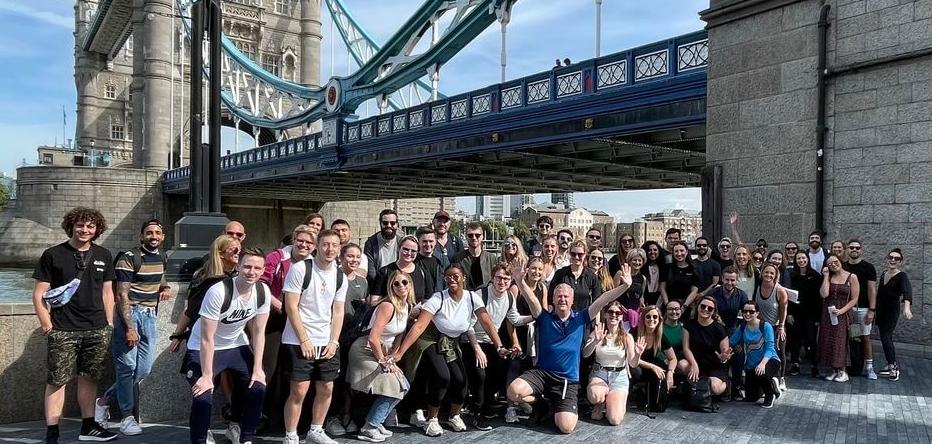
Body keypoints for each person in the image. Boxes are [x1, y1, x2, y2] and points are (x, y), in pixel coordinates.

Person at [507, 263, 633, 434]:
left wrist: (625, 286)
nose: (562, 299)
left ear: (572, 300)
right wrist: (519, 281)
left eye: (566, 296)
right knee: (513, 392)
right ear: (553, 299)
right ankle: (541, 405)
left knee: (566, 427)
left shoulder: (581, 318)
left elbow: (603, 299)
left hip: (567, 380)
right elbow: (532, 300)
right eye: (559, 296)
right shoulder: (543, 317)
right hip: (542, 374)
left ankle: (555, 406)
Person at [390, 265, 510, 437]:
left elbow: (487, 323)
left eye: (455, 276)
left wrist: (499, 346)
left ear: (463, 278)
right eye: (447, 276)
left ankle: (454, 416)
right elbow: (419, 327)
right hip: (429, 340)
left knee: (461, 379)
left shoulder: (472, 297)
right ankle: (432, 420)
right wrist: (400, 353)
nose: (451, 279)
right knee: (442, 376)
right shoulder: (437, 299)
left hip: (451, 343)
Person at [33, 208, 117, 443]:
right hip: (63, 328)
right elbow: (40, 294)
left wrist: (109, 322)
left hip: (97, 327)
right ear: (71, 226)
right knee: (57, 381)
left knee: (89, 378)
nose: (85, 230)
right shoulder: (53, 254)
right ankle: (52, 432)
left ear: (97, 230)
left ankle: (89, 427)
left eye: (90, 227)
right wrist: (47, 324)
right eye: (80, 225)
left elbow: (107, 291)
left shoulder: (104, 254)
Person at [183, 247, 270, 444]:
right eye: (247, 266)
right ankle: (201, 437)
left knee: (257, 387)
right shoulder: (218, 291)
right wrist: (207, 376)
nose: (252, 272)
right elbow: (207, 338)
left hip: (235, 344)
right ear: (238, 266)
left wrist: (258, 369)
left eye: (257, 268)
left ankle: (243, 435)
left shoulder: (262, 291)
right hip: (203, 347)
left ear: (263, 270)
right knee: (203, 394)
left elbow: (258, 333)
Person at [95, 219, 171, 436]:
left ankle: (103, 401)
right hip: (131, 315)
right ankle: (127, 417)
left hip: (150, 316)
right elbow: (121, 294)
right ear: (141, 236)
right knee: (126, 368)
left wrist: (164, 286)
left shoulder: (163, 256)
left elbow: (160, 274)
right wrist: (129, 326)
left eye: (157, 232)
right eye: (149, 233)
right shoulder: (129, 258)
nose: (153, 236)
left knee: (144, 369)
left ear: (162, 237)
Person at [281, 229, 349, 444]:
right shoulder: (301, 269)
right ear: (317, 246)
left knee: (326, 387)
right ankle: (291, 435)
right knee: (299, 390)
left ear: (339, 248)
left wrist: (334, 341)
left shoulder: (340, 276)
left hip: (325, 340)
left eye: (335, 245)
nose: (330, 249)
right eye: (326, 244)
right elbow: (290, 306)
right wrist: (304, 339)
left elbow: (338, 312)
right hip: (298, 339)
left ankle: (316, 430)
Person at [346, 270, 414, 443]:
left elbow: (400, 334)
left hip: (383, 351)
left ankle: (377, 421)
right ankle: (369, 427)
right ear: (390, 287)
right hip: (365, 350)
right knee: (394, 385)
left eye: (404, 282)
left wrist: (393, 357)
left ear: (410, 284)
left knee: (403, 385)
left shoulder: (406, 306)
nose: (401, 286)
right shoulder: (387, 305)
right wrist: (384, 360)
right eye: (396, 283)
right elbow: (373, 338)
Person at [461, 263, 530, 430]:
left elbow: (515, 319)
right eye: (499, 277)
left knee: (500, 370)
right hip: (471, 341)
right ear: (492, 278)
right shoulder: (480, 294)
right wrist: (476, 349)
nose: (502, 282)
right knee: (480, 375)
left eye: (506, 279)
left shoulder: (509, 297)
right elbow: (467, 325)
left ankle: (486, 406)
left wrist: (535, 316)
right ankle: (477, 414)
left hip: (492, 343)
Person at [326, 243, 370, 436]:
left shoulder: (363, 281)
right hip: (334, 335)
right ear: (341, 258)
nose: (353, 260)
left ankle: (347, 414)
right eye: (349, 256)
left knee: (349, 380)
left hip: (354, 337)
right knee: (333, 379)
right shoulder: (333, 278)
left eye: (357, 257)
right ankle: (332, 417)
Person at [170, 234, 241, 352]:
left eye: (240, 249)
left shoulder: (240, 276)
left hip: (230, 339)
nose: (238, 252)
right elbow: (191, 309)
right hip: (205, 338)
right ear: (221, 253)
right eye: (234, 249)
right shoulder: (205, 277)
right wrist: (177, 335)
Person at [583, 301, 644, 425]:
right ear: (605, 315)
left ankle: (612, 402)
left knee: (615, 420)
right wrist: (595, 341)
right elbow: (585, 354)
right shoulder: (598, 332)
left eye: (618, 313)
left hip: (619, 377)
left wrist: (638, 354)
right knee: (595, 396)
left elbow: (633, 364)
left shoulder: (627, 337)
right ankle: (600, 403)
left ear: (622, 316)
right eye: (611, 312)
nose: (614, 315)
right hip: (599, 374)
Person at [729, 302, 781, 408]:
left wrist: (762, 364)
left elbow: (770, 348)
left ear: (757, 313)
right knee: (750, 398)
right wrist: (730, 349)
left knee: (762, 373)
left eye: (751, 311)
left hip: (769, 361)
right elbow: (731, 341)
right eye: (745, 311)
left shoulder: (765, 326)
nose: (747, 314)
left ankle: (770, 395)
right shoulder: (743, 327)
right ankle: (769, 385)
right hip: (752, 365)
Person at [818, 254, 860, 383]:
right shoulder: (829, 276)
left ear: (840, 261)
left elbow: (855, 299)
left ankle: (843, 370)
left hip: (843, 312)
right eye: (830, 264)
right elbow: (824, 294)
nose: (833, 265)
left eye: (835, 262)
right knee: (828, 339)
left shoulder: (851, 277)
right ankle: (833, 369)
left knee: (841, 341)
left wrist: (842, 311)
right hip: (828, 313)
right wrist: (825, 276)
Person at [842, 239, 878, 379]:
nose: (854, 250)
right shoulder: (843, 266)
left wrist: (872, 310)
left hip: (863, 308)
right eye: (851, 247)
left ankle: (869, 367)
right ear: (847, 250)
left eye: (857, 248)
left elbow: (872, 290)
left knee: (865, 338)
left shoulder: (868, 267)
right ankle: (849, 366)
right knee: (848, 338)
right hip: (847, 309)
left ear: (861, 250)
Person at [709, 267, 748, 400]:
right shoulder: (713, 293)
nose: (729, 283)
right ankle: (720, 385)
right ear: (722, 279)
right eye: (727, 279)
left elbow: (746, 316)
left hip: (732, 330)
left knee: (738, 352)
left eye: (732, 280)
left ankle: (736, 386)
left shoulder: (741, 295)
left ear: (737, 281)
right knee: (716, 355)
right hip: (715, 331)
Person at [682, 296, 731, 399]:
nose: (705, 309)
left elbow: (725, 353)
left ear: (714, 311)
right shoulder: (689, 325)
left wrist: (723, 358)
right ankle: (699, 389)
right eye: (703, 306)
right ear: (698, 307)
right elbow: (686, 348)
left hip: (715, 366)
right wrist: (694, 364)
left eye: (710, 308)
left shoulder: (719, 328)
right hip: (697, 362)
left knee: (714, 388)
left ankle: (727, 386)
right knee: (682, 364)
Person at [875, 248, 913, 381]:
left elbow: (907, 292)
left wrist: (907, 308)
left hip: (891, 311)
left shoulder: (902, 276)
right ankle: (890, 362)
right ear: (887, 259)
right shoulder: (884, 273)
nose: (893, 260)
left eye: (896, 258)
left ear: (900, 262)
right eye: (891, 257)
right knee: (886, 338)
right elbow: (880, 293)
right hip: (880, 311)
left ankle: (893, 368)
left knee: (885, 337)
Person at [630, 305, 677, 408]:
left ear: (659, 320)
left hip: (650, 366)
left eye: (655, 317)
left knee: (662, 372)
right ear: (643, 318)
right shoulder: (634, 333)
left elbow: (673, 358)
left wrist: (670, 373)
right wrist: (652, 366)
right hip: (635, 365)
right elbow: (630, 358)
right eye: (648, 316)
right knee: (636, 371)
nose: (651, 319)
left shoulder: (660, 336)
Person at [752, 263, 789, 391]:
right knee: (763, 353)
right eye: (766, 272)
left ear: (776, 276)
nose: (768, 275)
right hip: (761, 327)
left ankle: (781, 379)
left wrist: (782, 327)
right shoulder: (757, 287)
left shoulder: (780, 290)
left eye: (771, 273)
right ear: (762, 273)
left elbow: (784, 310)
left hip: (775, 326)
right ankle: (768, 380)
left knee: (778, 353)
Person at [788, 251, 822, 378]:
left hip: (811, 314)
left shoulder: (816, 276)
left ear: (807, 259)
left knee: (811, 340)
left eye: (803, 258)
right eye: (798, 258)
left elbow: (819, 299)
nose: (801, 260)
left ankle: (814, 365)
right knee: (795, 340)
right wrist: (789, 313)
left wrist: (818, 318)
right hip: (796, 314)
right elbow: (788, 296)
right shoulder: (792, 276)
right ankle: (795, 363)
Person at [373, 236, 436, 302]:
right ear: (398, 249)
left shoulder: (423, 272)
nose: (409, 253)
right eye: (406, 249)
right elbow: (374, 301)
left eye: (413, 251)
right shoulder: (384, 272)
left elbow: (428, 299)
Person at [549, 240, 602, 311]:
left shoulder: (591, 276)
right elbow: (551, 298)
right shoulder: (560, 274)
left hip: (583, 318)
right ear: (569, 254)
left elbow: (596, 303)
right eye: (573, 254)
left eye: (580, 254)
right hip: (562, 317)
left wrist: (596, 321)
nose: (576, 257)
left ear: (585, 254)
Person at [452, 223, 498, 291]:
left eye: (477, 235)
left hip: (485, 296)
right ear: (466, 237)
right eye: (470, 235)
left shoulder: (491, 258)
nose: (474, 238)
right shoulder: (457, 259)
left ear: (482, 237)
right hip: (466, 297)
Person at [364, 209, 403, 288]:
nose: (389, 225)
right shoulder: (371, 243)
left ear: (397, 224)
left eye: (392, 223)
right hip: (377, 285)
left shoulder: (402, 242)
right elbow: (371, 272)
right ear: (380, 223)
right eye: (385, 223)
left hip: (398, 284)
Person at [661, 242, 699, 308]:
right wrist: (668, 305)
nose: (679, 254)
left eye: (681, 251)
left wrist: (684, 307)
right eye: (676, 251)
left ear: (686, 252)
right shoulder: (667, 268)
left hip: (687, 306)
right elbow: (662, 288)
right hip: (669, 306)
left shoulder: (693, 269)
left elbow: (694, 291)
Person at [615, 249, 646, 328]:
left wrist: (642, 305)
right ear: (629, 261)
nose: (637, 263)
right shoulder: (620, 274)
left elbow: (641, 297)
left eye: (640, 260)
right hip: (620, 313)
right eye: (634, 260)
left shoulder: (643, 278)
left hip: (634, 314)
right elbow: (612, 293)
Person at [641, 241, 665, 306]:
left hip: (659, 298)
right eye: (649, 250)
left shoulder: (663, 266)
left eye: (655, 250)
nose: (652, 252)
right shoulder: (641, 267)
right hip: (644, 298)